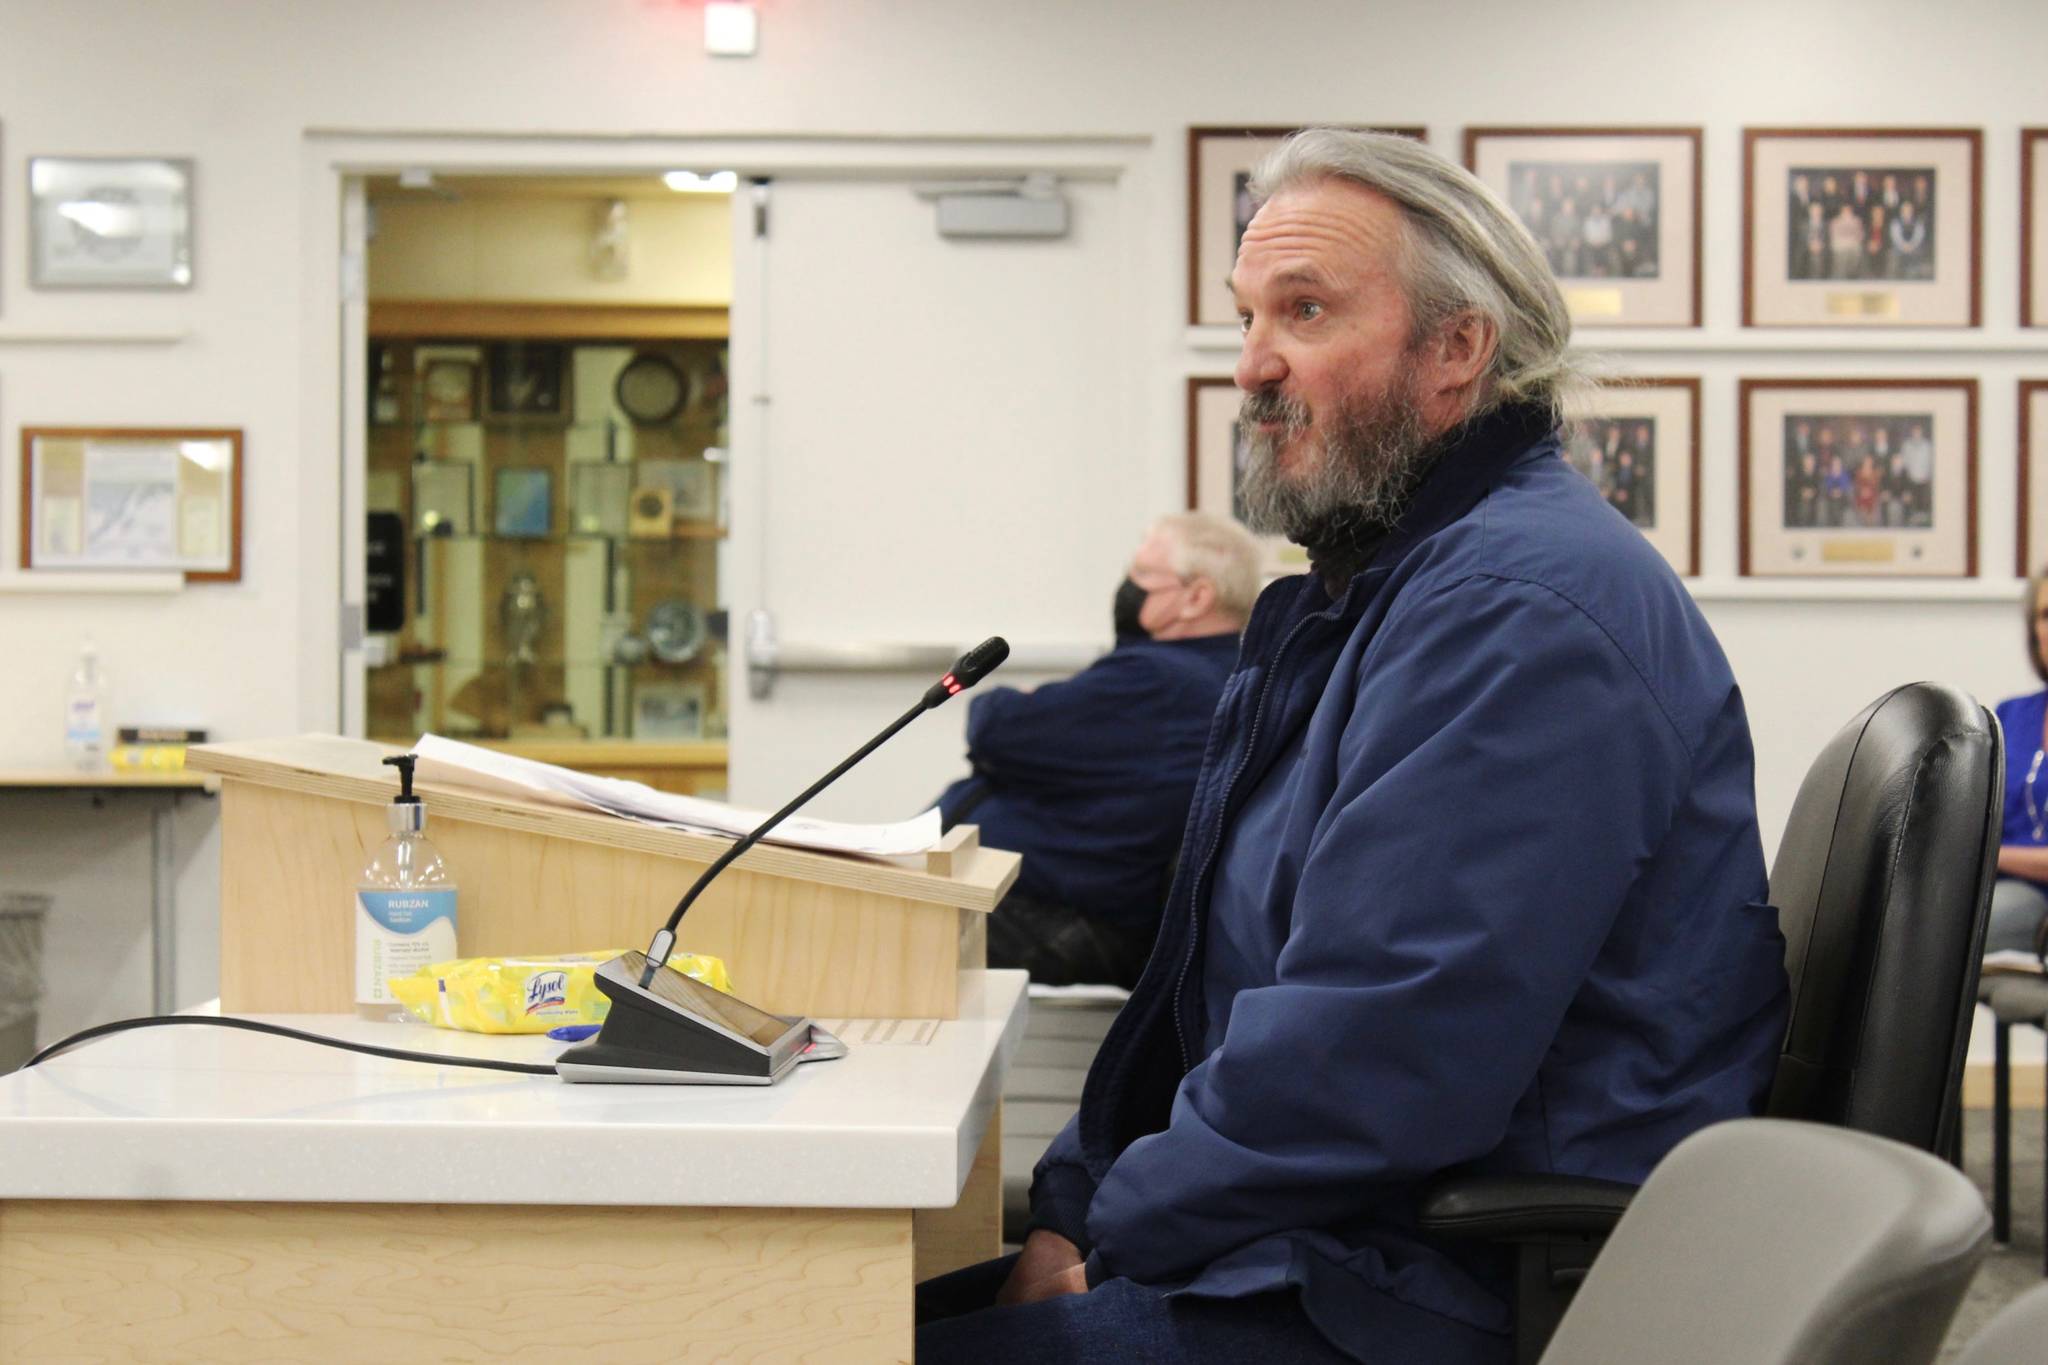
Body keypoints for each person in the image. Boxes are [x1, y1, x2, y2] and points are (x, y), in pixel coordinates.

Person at [917, 128, 1788, 1365]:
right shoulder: (1388, 594)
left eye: (1305, 311)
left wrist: (1110, 1233)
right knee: (810, 1319)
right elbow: (1214, 994)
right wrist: (1077, 1205)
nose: (1252, 366)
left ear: (1454, 351)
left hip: (1412, 1287)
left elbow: (1378, 1054)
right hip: (1333, 1234)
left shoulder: (1513, 612)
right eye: (1245, 318)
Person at [934, 512, 1260, 988]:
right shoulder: (1205, 675)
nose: (1128, 586)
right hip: (1059, 904)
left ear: (1196, 598)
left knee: (865, 926)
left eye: (1143, 576)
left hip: (1065, 919)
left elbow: (998, 727)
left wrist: (1011, 707)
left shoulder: (1162, 681)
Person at [1989, 566, 2048, 962]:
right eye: (2046, 615)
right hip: (1999, 887)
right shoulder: (2010, 715)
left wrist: (1988, 855)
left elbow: (1981, 845)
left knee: (1937, 931)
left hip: (2031, 897)